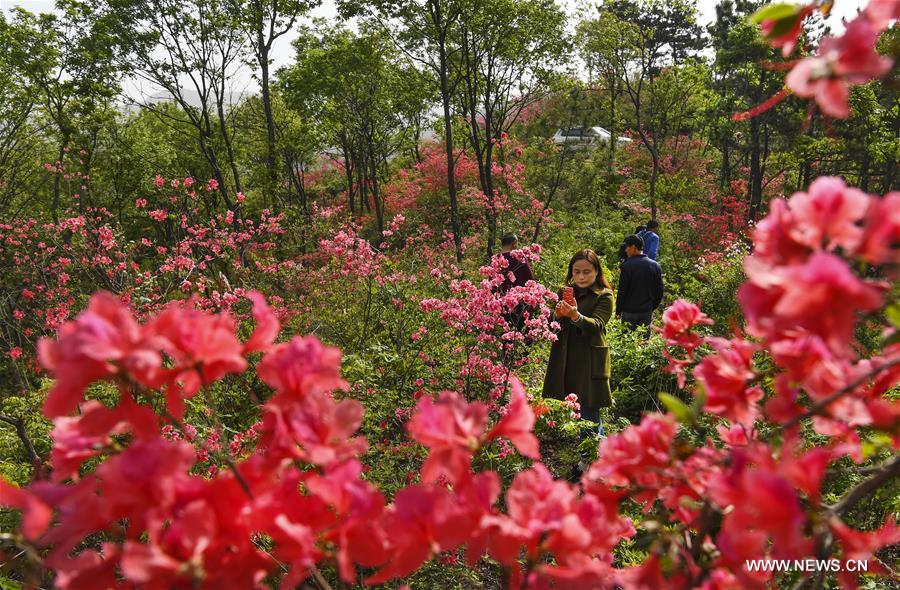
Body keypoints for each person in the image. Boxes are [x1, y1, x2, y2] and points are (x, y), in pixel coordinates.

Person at [543, 250, 614, 459]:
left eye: (587, 272)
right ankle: (598, 456)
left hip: (590, 360)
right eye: (577, 272)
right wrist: (557, 314)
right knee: (582, 413)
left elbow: (598, 325)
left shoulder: (604, 295)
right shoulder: (564, 292)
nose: (581, 277)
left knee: (589, 413)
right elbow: (550, 324)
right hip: (566, 358)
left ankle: (589, 462)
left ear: (597, 271)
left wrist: (575, 316)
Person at [616, 234, 663, 334]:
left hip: (629, 311)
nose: (626, 250)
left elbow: (622, 290)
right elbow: (659, 291)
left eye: (627, 247)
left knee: (627, 341)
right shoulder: (655, 266)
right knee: (643, 343)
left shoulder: (627, 266)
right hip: (646, 311)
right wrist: (651, 307)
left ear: (633, 247)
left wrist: (618, 310)